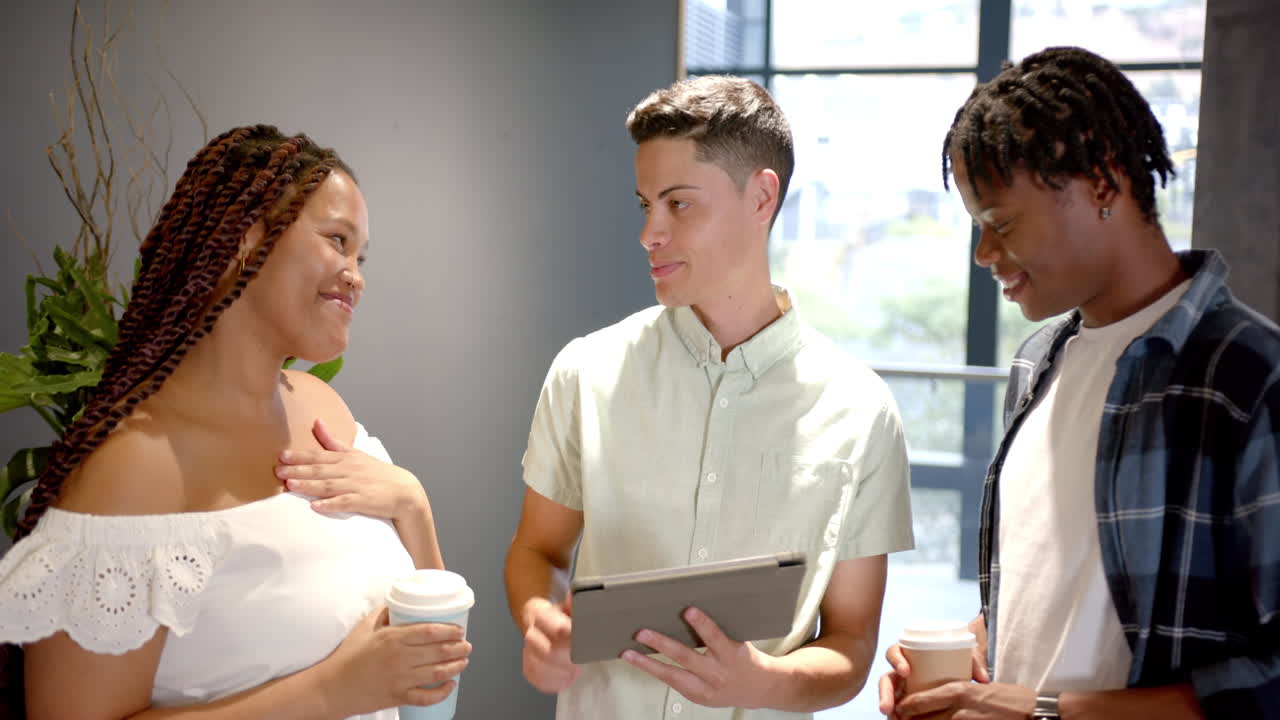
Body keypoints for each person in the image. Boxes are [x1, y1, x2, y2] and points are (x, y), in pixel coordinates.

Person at [0, 125, 471, 719]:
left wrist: (413, 506)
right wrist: (334, 690)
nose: (357, 274)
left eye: (362, 255)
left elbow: (431, 663)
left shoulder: (327, 414)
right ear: (248, 238)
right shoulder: (135, 468)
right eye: (337, 240)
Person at [878, 46, 1280, 719]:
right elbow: (1060, 606)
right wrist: (965, 659)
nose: (983, 255)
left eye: (1000, 224)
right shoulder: (1038, 363)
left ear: (1101, 182)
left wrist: (1044, 712)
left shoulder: (1247, 377)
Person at [504, 75, 914, 720]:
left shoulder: (861, 411)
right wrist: (541, 619)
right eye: (645, 205)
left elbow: (852, 643)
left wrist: (766, 682)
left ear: (761, 196)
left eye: (679, 204)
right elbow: (537, 551)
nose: (649, 233)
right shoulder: (586, 370)